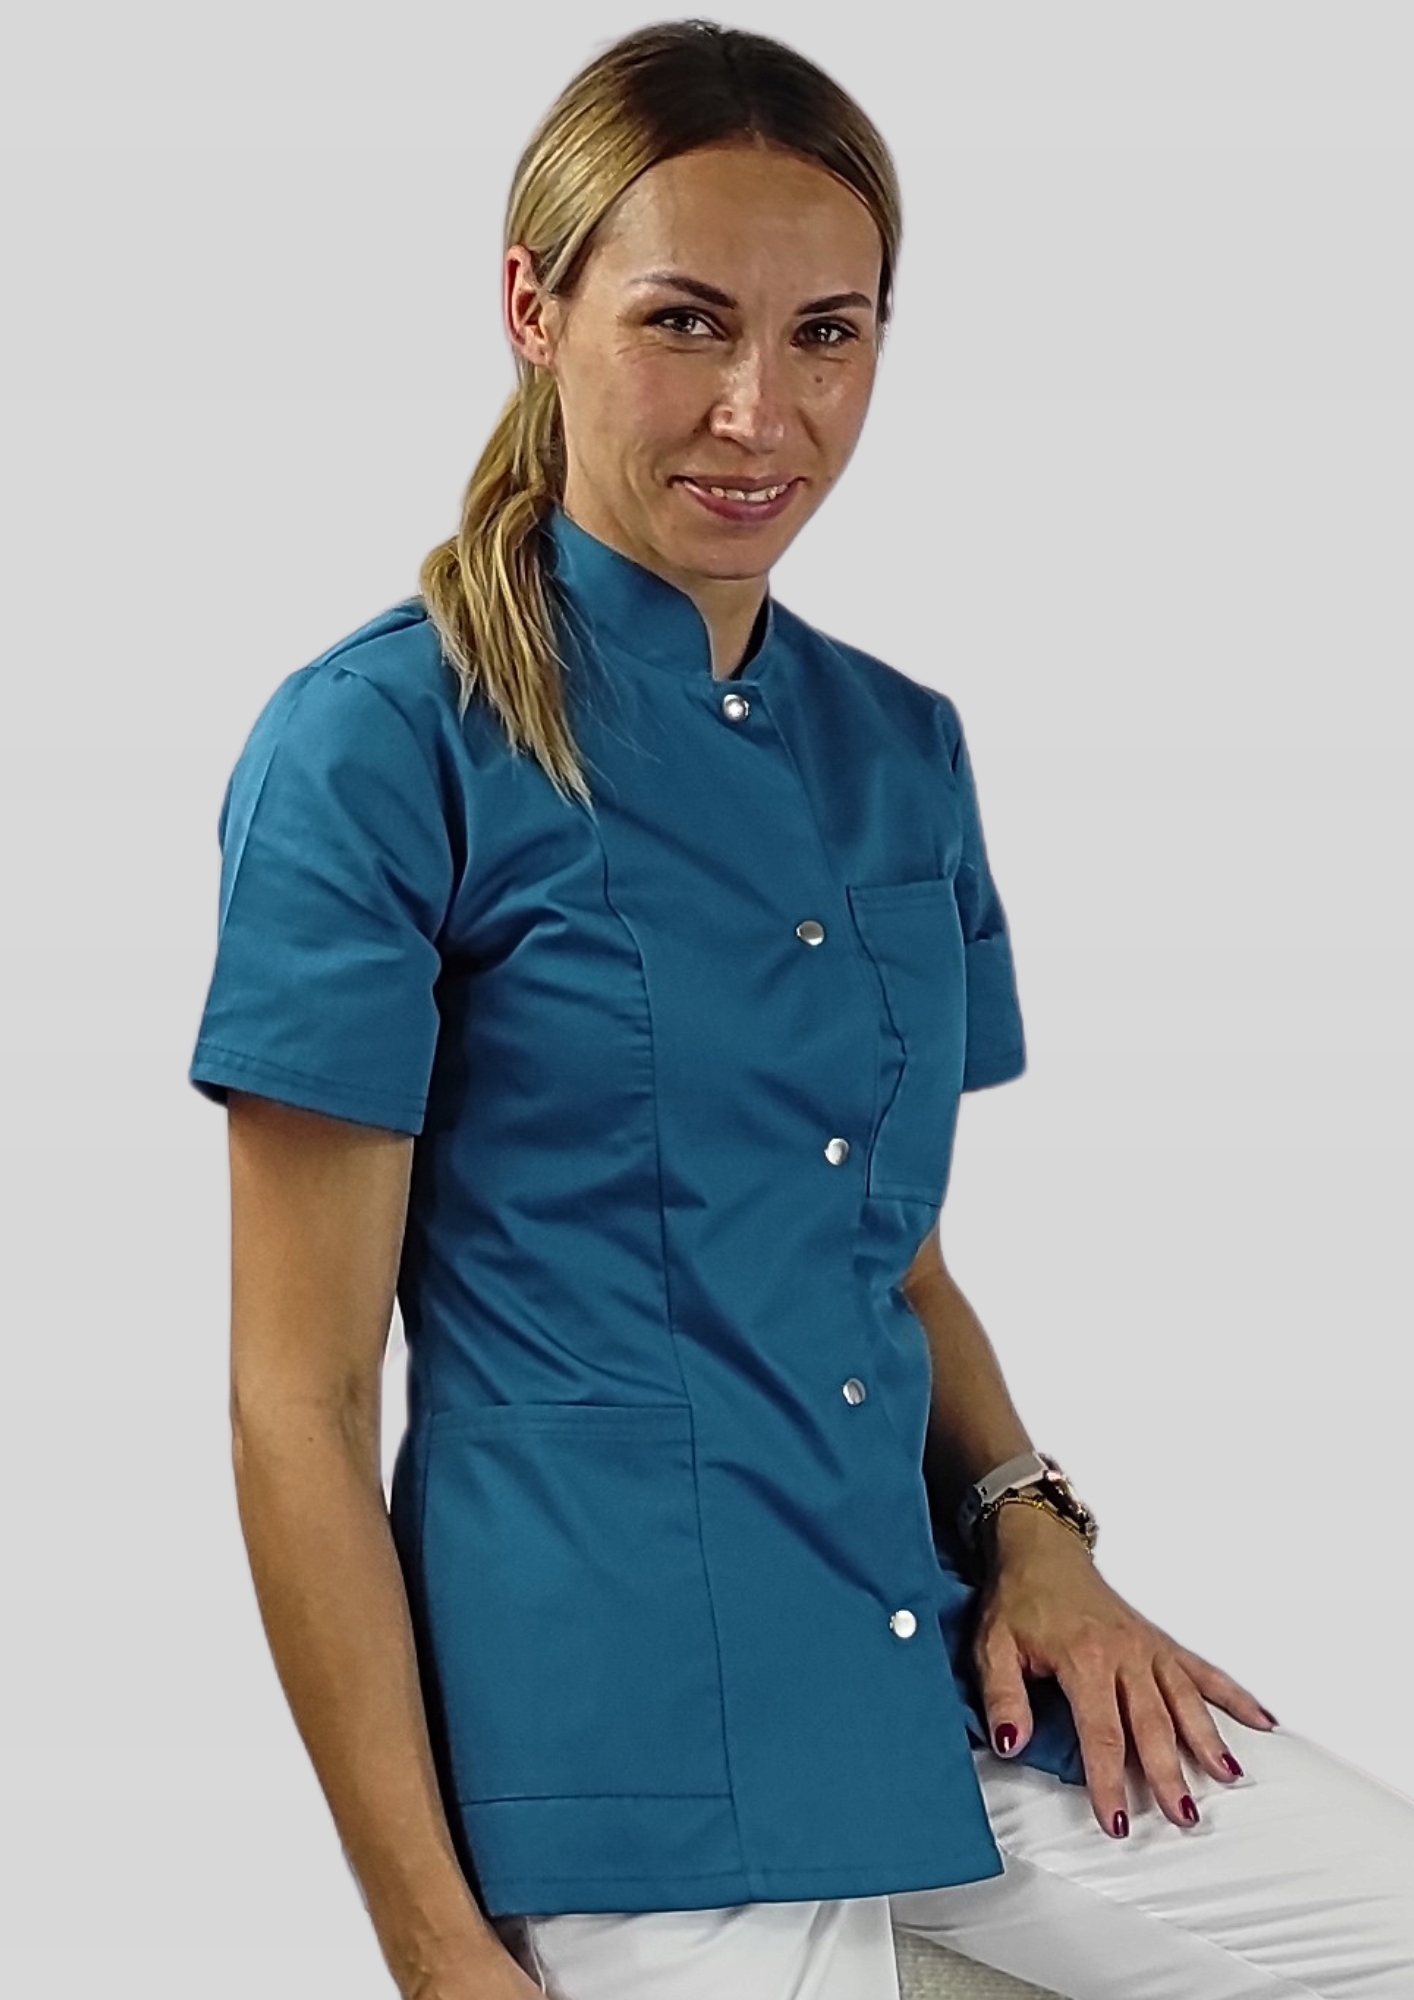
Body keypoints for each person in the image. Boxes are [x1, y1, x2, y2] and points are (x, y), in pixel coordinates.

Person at [186, 20, 1414, 2000]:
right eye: (684, 321)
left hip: (922, 1665)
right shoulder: (378, 745)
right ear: (532, 308)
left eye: (825, 334)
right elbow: (296, 1405)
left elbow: (887, 1253)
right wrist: (430, 1943)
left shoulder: (898, 748)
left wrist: (1035, 1529)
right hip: (623, 1744)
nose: (758, 411)